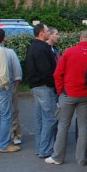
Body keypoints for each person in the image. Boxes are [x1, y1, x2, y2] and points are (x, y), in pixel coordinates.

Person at [49, 29, 87, 165]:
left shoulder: (69, 51)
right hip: (86, 94)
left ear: (80, 38)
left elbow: (58, 73)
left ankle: (58, 156)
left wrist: (60, 91)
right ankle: (82, 158)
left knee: (63, 125)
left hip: (68, 92)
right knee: (83, 126)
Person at [25, 24, 59, 160]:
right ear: (41, 33)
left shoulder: (32, 46)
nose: (48, 33)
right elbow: (46, 70)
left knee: (40, 118)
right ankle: (45, 149)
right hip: (44, 86)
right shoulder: (42, 48)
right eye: (46, 31)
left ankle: (40, 147)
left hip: (35, 86)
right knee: (50, 118)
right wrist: (54, 83)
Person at [5, 41, 24, 145]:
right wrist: (16, 86)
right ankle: (15, 135)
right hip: (9, 86)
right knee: (13, 112)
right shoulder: (10, 52)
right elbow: (17, 71)